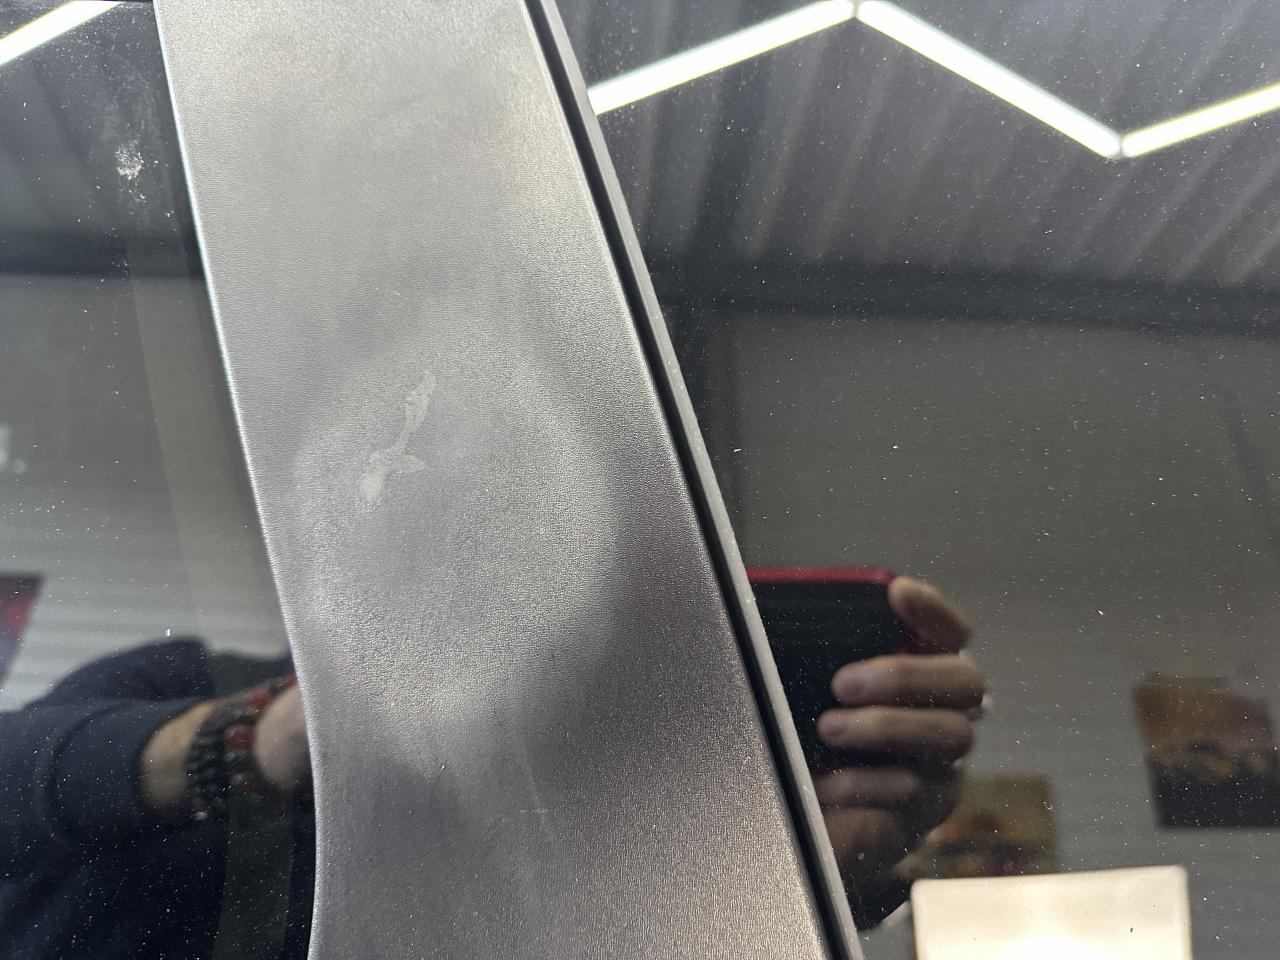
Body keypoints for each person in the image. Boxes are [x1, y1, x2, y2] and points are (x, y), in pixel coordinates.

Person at [0, 576, 982, 957]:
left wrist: (784, 890)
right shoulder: (179, 681)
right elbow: (21, 778)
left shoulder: (588, 823)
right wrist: (266, 740)